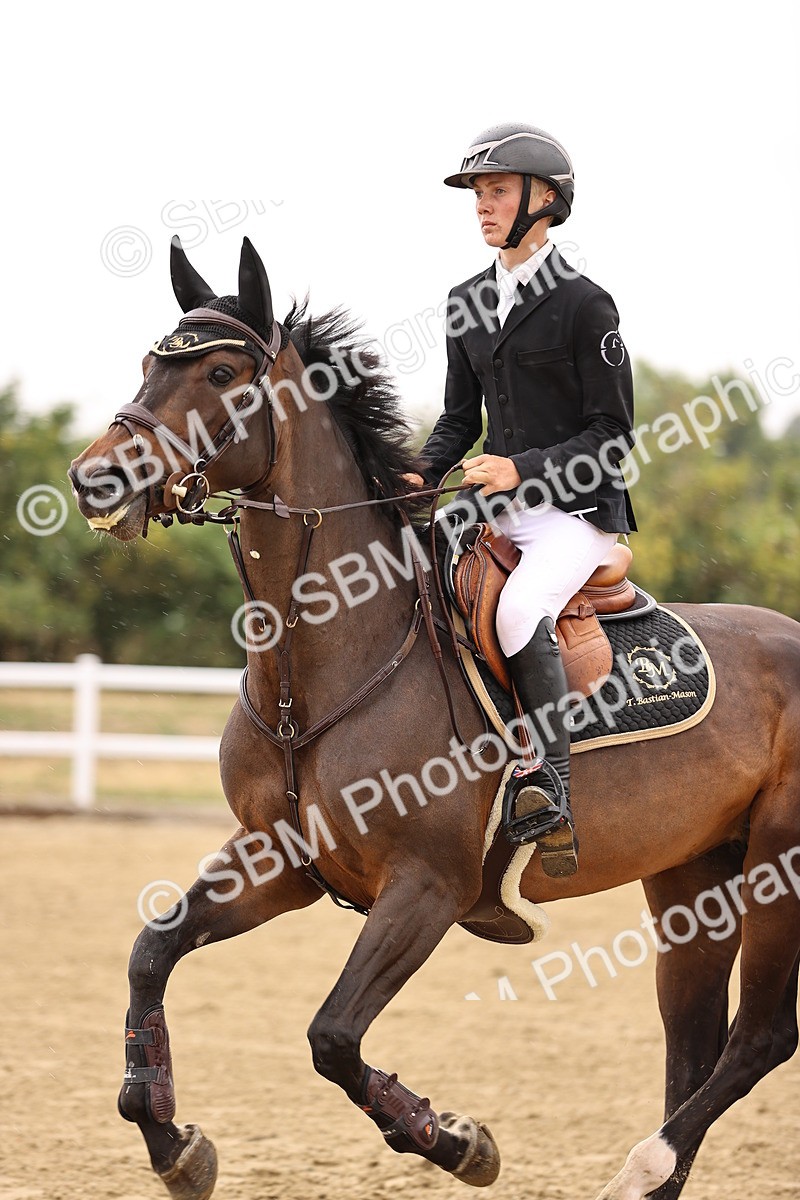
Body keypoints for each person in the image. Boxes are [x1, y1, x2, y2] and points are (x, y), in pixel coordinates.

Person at [406, 123, 637, 876]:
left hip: (577, 513)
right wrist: (420, 473)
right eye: (478, 193)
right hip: (497, 507)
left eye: (498, 190)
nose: (482, 205)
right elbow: (457, 421)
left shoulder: (586, 305)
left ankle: (552, 788)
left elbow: (612, 436)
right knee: (411, 577)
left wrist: (520, 469)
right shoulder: (467, 300)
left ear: (544, 200)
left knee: (517, 611)